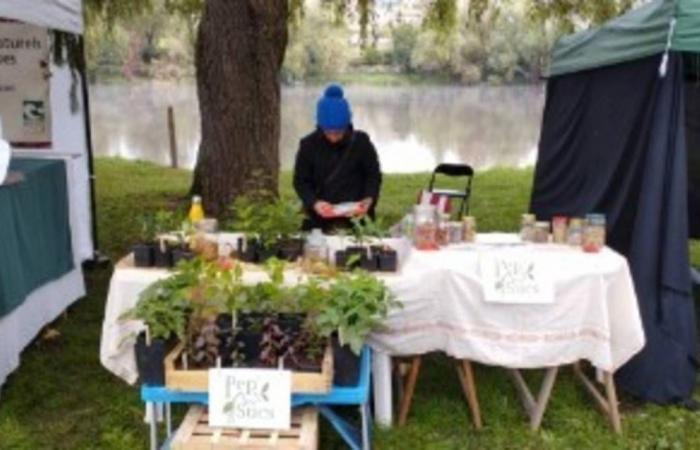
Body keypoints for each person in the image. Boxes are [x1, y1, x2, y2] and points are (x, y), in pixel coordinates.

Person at [293, 84, 382, 232]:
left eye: (338, 132)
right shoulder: (308, 145)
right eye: (329, 132)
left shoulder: (361, 142)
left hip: (356, 218)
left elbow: (373, 175)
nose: (333, 138)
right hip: (319, 219)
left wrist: (369, 199)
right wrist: (315, 203)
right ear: (321, 126)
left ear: (346, 125)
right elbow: (301, 181)